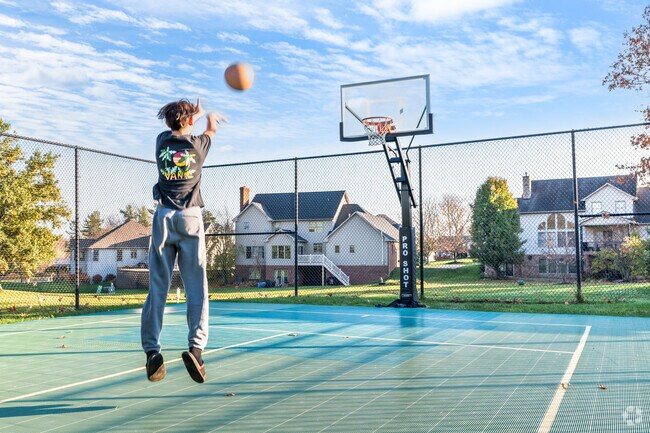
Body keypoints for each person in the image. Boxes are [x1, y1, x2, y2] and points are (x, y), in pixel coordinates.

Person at [141, 98, 222, 383]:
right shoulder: (198, 146)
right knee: (196, 286)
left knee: (158, 287)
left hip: (163, 217)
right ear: (190, 122)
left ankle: (152, 351)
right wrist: (208, 120)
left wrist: (191, 117)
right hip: (190, 218)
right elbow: (208, 132)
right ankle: (196, 350)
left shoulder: (161, 142)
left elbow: (179, 128)